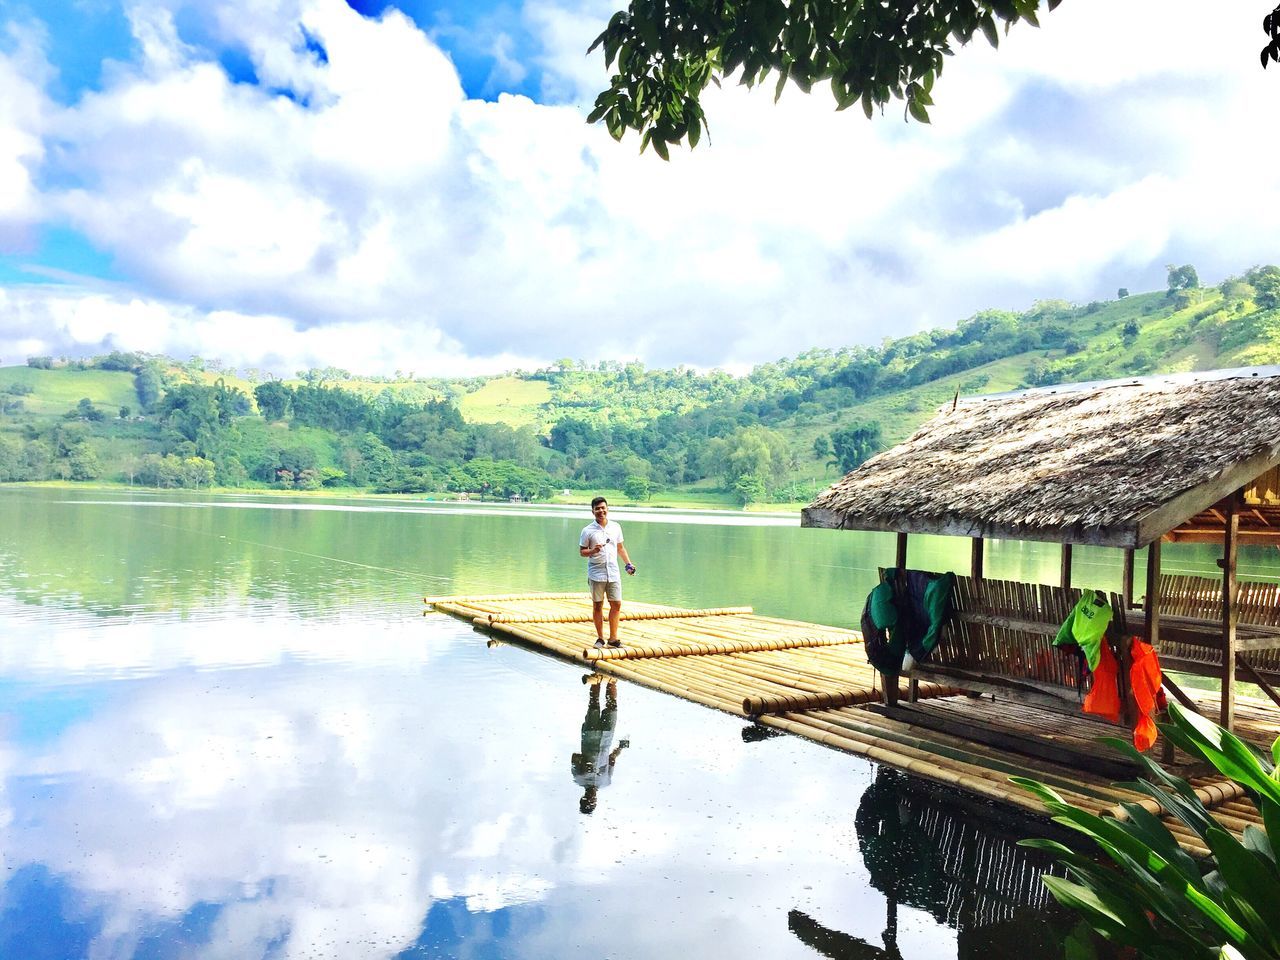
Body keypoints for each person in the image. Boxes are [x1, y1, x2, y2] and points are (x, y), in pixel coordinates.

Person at [578, 496, 635, 647]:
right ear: (593, 511)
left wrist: (629, 564)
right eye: (597, 509)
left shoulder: (615, 527)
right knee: (597, 605)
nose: (601, 511)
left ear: (607, 509)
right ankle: (600, 638)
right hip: (596, 573)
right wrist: (593, 550)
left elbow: (620, 548)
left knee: (616, 604)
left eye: (603, 508)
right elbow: (582, 552)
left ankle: (613, 638)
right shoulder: (587, 531)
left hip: (614, 572)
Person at [572, 675, 628, 815]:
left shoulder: (578, 778)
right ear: (596, 802)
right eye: (593, 802)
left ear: (582, 799)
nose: (591, 799)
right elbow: (611, 760)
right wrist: (621, 747)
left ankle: (597, 678)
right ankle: (612, 679)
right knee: (612, 706)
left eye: (587, 801)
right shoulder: (606, 782)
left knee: (594, 703)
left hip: (590, 737)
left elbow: (574, 757)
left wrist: (585, 764)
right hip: (607, 738)